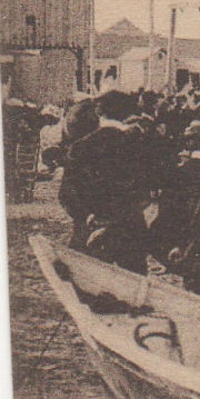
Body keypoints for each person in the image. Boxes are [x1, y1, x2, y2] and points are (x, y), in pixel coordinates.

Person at [60, 90, 153, 272]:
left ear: (99, 113)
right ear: (128, 114)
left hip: (90, 230)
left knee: (86, 284)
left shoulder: (80, 147)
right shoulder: (139, 145)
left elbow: (67, 193)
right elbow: (146, 191)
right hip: (129, 230)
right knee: (133, 288)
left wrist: (87, 215)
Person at [152, 120, 200, 298]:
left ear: (190, 143)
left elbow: (168, 212)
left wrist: (172, 243)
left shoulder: (180, 173)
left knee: (194, 293)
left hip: (186, 243)